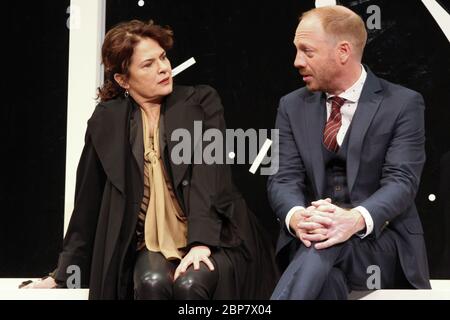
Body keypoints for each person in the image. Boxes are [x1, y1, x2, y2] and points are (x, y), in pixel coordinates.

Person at [22, 19, 278, 299]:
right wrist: (64, 273)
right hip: (150, 243)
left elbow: (210, 176)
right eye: (148, 64)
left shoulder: (201, 101)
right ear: (123, 79)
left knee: (190, 285)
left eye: (163, 57)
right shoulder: (106, 120)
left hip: (215, 235)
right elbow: (87, 202)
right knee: (151, 282)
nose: (163, 68)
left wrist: (201, 242)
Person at [267, 5, 430, 299]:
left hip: (380, 241)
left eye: (307, 51)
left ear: (343, 51)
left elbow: (402, 181)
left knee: (324, 243)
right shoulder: (291, 106)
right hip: (314, 239)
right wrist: (297, 216)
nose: (296, 62)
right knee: (326, 269)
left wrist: (352, 220)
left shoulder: (403, 104)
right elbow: (282, 178)